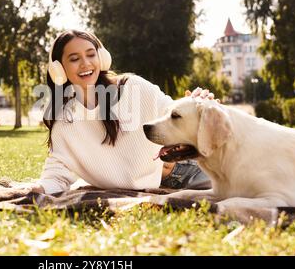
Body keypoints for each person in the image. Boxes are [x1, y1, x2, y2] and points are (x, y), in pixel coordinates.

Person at [26, 29, 212, 194]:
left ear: (102, 58)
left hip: (189, 168)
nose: (85, 64)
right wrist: (40, 189)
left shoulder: (132, 87)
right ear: (59, 69)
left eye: (91, 55)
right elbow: (57, 174)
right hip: (160, 186)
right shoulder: (64, 123)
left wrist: (196, 104)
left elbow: (172, 113)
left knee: (240, 185)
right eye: (74, 59)